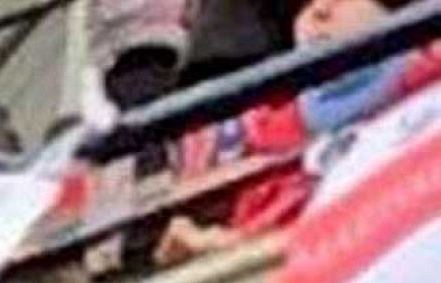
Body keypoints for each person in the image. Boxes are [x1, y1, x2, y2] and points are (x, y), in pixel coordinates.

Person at [158, 0, 441, 265]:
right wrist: (216, 249)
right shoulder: (260, 145)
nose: (318, 13)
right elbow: (267, 248)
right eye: (301, 6)